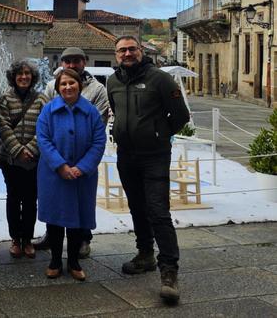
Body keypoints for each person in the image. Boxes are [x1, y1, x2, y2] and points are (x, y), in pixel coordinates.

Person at [107, 35, 190, 304]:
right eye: (122, 50)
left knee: (157, 210)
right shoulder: (113, 81)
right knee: (137, 207)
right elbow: (116, 110)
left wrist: (158, 134)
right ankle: (145, 254)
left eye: (132, 49)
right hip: (126, 155)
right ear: (116, 54)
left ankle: (169, 272)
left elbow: (180, 115)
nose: (127, 54)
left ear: (141, 51)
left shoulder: (161, 79)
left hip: (154, 155)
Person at [36, 46, 110, 257]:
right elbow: (44, 126)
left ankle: (82, 241)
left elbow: (100, 126)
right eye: (67, 61)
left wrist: (83, 164)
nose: (71, 65)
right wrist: (59, 163)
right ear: (62, 64)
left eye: (76, 61)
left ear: (83, 63)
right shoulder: (51, 86)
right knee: (56, 205)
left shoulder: (97, 90)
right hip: (57, 162)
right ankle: (54, 242)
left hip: (82, 158)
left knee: (81, 206)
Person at [0, 60, 46, 259]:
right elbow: (3, 126)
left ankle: (27, 239)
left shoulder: (41, 99)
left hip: (34, 161)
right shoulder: (5, 99)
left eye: (27, 74)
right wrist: (18, 150)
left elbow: (44, 128)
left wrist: (31, 149)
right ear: (13, 77)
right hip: (11, 160)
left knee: (30, 200)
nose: (24, 77)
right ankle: (15, 239)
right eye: (20, 74)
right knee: (14, 200)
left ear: (32, 77)